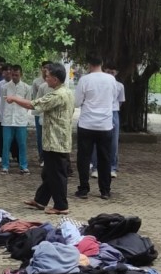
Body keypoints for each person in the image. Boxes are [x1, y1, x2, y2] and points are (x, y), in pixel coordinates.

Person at [7, 62, 76, 215]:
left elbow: (34, 105)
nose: (46, 79)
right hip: (57, 139)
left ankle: (61, 206)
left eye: (48, 76)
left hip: (56, 140)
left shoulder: (58, 95)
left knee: (57, 174)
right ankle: (40, 200)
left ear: (56, 79)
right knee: (49, 173)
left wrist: (14, 98)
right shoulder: (68, 92)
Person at [75, 56, 118, 200]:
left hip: (86, 124)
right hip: (105, 124)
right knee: (105, 158)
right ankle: (105, 190)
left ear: (89, 64)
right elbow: (113, 98)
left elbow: (77, 101)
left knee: (84, 158)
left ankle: (83, 189)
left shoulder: (84, 80)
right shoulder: (111, 80)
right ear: (102, 63)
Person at [91, 64, 126, 178]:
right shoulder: (99, 84)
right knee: (96, 141)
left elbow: (120, 101)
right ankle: (95, 167)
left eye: (113, 72)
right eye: (108, 71)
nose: (110, 73)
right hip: (100, 112)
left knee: (114, 142)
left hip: (113, 112)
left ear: (116, 72)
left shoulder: (119, 86)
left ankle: (112, 167)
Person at [2, 64, 32, 174]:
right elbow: (2, 104)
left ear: (21, 74)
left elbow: (29, 103)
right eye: (13, 74)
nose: (14, 77)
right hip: (8, 120)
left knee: (22, 144)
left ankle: (23, 165)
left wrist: (23, 113)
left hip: (21, 120)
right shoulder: (5, 87)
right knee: (6, 144)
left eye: (17, 75)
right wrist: (3, 117)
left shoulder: (26, 88)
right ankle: (5, 166)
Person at [31, 61, 53, 164]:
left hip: (51, 113)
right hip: (39, 112)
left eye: (48, 68)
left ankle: (50, 156)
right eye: (44, 67)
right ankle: (42, 157)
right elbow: (35, 98)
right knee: (40, 136)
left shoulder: (54, 81)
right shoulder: (37, 82)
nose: (45, 69)